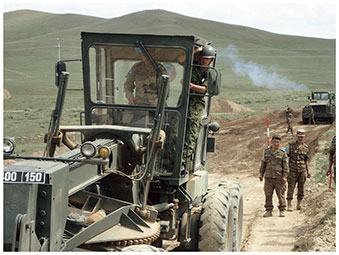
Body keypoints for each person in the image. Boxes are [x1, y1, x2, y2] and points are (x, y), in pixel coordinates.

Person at [182, 44, 216, 168]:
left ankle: (183, 163)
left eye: (206, 58)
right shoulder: (193, 67)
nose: (203, 60)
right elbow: (181, 60)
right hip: (183, 101)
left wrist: (190, 85)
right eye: (202, 57)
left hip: (196, 104)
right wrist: (198, 50)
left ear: (211, 61)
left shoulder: (210, 74)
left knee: (191, 132)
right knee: (174, 129)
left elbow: (204, 90)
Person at [124, 48, 168, 126]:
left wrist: (158, 100)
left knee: (159, 128)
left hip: (155, 107)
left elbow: (166, 88)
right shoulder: (136, 68)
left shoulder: (160, 69)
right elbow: (128, 84)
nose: (148, 58)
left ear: (154, 56)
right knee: (130, 127)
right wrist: (130, 97)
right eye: (146, 55)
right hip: (139, 106)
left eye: (151, 55)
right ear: (142, 56)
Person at [259, 135, 289, 217]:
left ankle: (282, 210)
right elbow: (263, 164)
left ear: (279, 143)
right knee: (268, 194)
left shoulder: (282, 153)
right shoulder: (267, 152)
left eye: (278, 142)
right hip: (268, 177)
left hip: (279, 178)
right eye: (275, 142)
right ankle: (269, 210)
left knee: (281, 194)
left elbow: (285, 166)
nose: (276, 144)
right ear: (271, 142)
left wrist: (285, 176)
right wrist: (261, 174)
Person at [286, 129, 311, 211]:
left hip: (302, 170)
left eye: (302, 137)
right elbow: (286, 156)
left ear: (304, 137)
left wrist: (308, 171)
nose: (300, 138)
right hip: (292, 170)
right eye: (299, 137)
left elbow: (307, 160)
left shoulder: (306, 148)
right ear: (296, 136)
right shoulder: (290, 145)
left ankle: (299, 204)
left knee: (301, 188)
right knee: (291, 187)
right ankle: (289, 204)